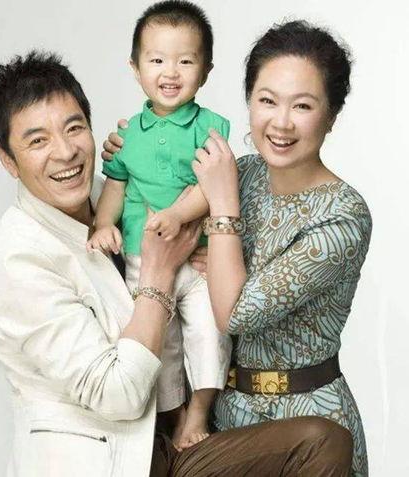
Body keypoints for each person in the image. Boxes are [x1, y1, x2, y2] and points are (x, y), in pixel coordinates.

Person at [0, 50, 355, 476]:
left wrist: (208, 252)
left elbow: (187, 203)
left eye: (74, 128)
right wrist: (157, 274)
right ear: (7, 159)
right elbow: (117, 396)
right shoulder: (18, 257)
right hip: (108, 463)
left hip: (174, 441)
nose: (65, 152)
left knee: (321, 441)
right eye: (37, 141)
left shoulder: (115, 196)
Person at [103, 20, 371, 477]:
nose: (281, 122)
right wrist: (130, 148)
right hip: (222, 423)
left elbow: (236, 314)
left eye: (302, 105)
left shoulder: (343, 214)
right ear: (249, 102)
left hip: (312, 425)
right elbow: (154, 206)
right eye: (267, 100)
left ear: (331, 114)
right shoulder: (239, 171)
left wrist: (223, 210)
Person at [87, 0, 231, 449]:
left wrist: (178, 215)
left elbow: (213, 184)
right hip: (141, 255)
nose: (170, 72)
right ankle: (175, 417)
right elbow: (116, 183)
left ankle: (200, 411)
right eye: (156, 61)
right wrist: (103, 223)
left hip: (197, 259)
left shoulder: (210, 126)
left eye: (185, 61)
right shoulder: (128, 134)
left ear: (206, 71)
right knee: (158, 345)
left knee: (209, 332)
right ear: (135, 68)